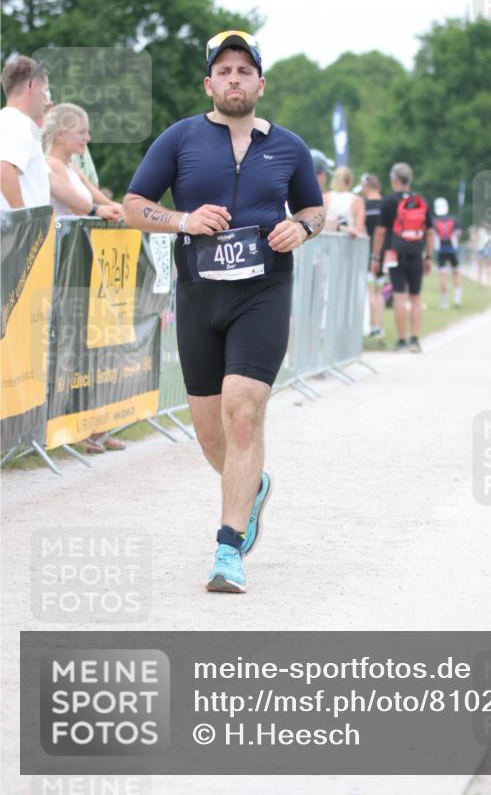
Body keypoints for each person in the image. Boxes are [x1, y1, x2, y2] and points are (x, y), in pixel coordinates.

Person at [122, 30, 324, 594]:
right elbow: (133, 205)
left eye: (245, 70)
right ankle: (252, 487)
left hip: (263, 292)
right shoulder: (180, 138)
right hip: (199, 296)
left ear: (261, 83)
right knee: (212, 434)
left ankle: (228, 549)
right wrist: (183, 221)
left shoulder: (289, 147)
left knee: (243, 413)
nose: (235, 79)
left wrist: (301, 228)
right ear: (208, 83)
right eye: (225, 71)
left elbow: (315, 208)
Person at [41, 103, 127, 453]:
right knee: (68, 350)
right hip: (63, 271)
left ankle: (92, 425)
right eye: (81, 132)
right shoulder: (49, 165)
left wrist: (123, 210)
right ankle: (70, 426)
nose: (88, 138)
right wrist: (102, 210)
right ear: (61, 134)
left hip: (82, 269)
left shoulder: (73, 167)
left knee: (89, 349)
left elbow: (101, 201)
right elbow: (83, 206)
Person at [370, 162, 434, 353]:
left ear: (394, 180)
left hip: (394, 254)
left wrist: (375, 257)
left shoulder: (389, 202)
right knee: (415, 297)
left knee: (399, 296)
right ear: (410, 180)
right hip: (416, 253)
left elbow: (381, 232)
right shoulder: (420, 200)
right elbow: (430, 232)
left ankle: (401, 341)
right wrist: (429, 256)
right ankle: (415, 340)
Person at [0, 56, 51, 210]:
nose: (47, 99)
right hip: (14, 225)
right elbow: (4, 168)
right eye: (45, 90)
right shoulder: (21, 123)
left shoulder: (7, 120)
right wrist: (22, 218)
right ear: (33, 86)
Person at [360, 173, 385, 337]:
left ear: (366, 187)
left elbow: (362, 229)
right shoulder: (386, 204)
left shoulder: (364, 206)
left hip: (369, 252)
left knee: (370, 291)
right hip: (385, 253)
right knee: (380, 291)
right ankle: (379, 326)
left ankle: (373, 327)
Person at [433, 197, 462, 309]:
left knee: (443, 275)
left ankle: (445, 302)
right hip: (452, 250)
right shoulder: (454, 220)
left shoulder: (433, 221)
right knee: (456, 272)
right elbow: (458, 234)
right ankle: (457, 298)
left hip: (440, 251)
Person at [323, 166, 365, 236]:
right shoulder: (357, 200)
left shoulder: (324, 197)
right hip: (347, 241)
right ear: (350, 181)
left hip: (325, 240)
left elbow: (319, 224)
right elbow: (359, 230)